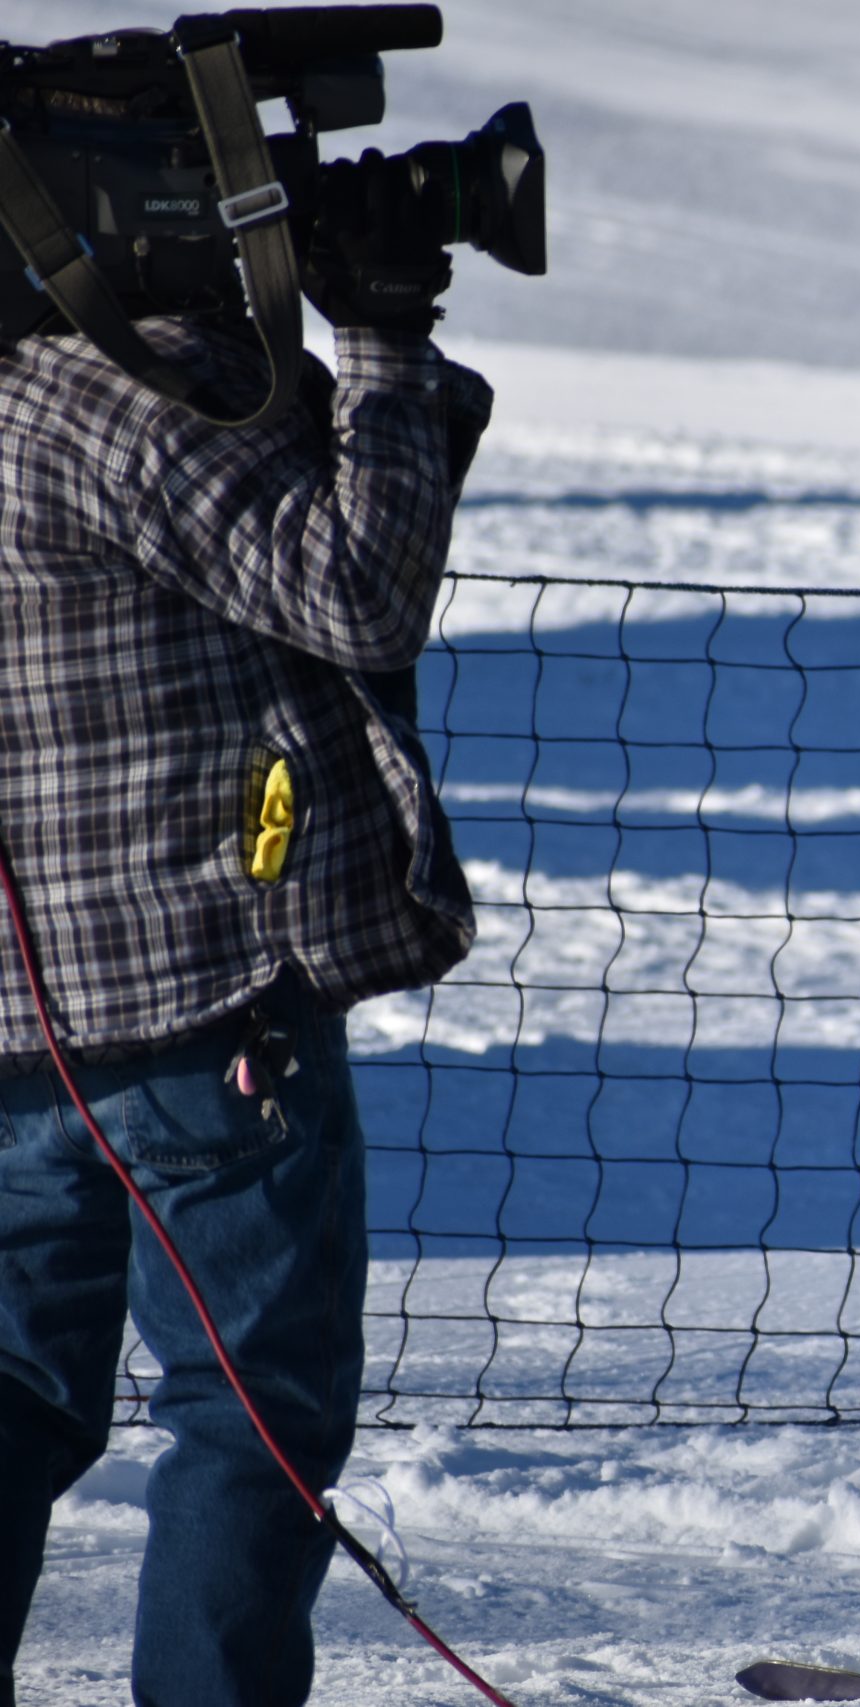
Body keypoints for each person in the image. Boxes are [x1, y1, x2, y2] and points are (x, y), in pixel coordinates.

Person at [0, 189, 486, 1703]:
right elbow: (357, 586)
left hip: (19, 1031)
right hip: (196, 1006)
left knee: (13, 1389)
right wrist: (386, 343)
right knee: (247, 1411)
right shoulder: (111, 401)